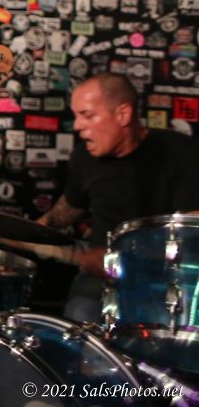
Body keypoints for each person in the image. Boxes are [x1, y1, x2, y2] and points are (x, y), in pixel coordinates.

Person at [37, 72, 199, 322]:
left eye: (87, 115)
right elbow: (71, 206)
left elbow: (193, 231)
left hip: (165, 278)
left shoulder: (180, 152)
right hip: (100, 277)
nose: (77, 126)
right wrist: (38, 227)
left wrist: (128, 258)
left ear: (123, 114)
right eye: (76, 116)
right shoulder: (84, 156)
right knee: (79, 317)